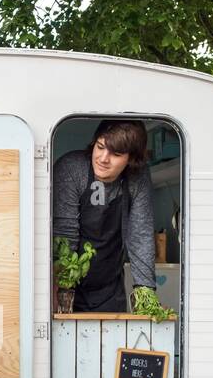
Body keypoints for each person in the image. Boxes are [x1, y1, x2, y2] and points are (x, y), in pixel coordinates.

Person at [52, 119, 157, 312]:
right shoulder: (72, 168)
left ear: (131, 159)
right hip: (67, 290)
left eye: (116, 154)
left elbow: (140, 236)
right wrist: (61, 289)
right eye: (100, 147)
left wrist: (146, 293)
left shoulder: (138, 177)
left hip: (110, 289)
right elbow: (65, 235)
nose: (103, 158)